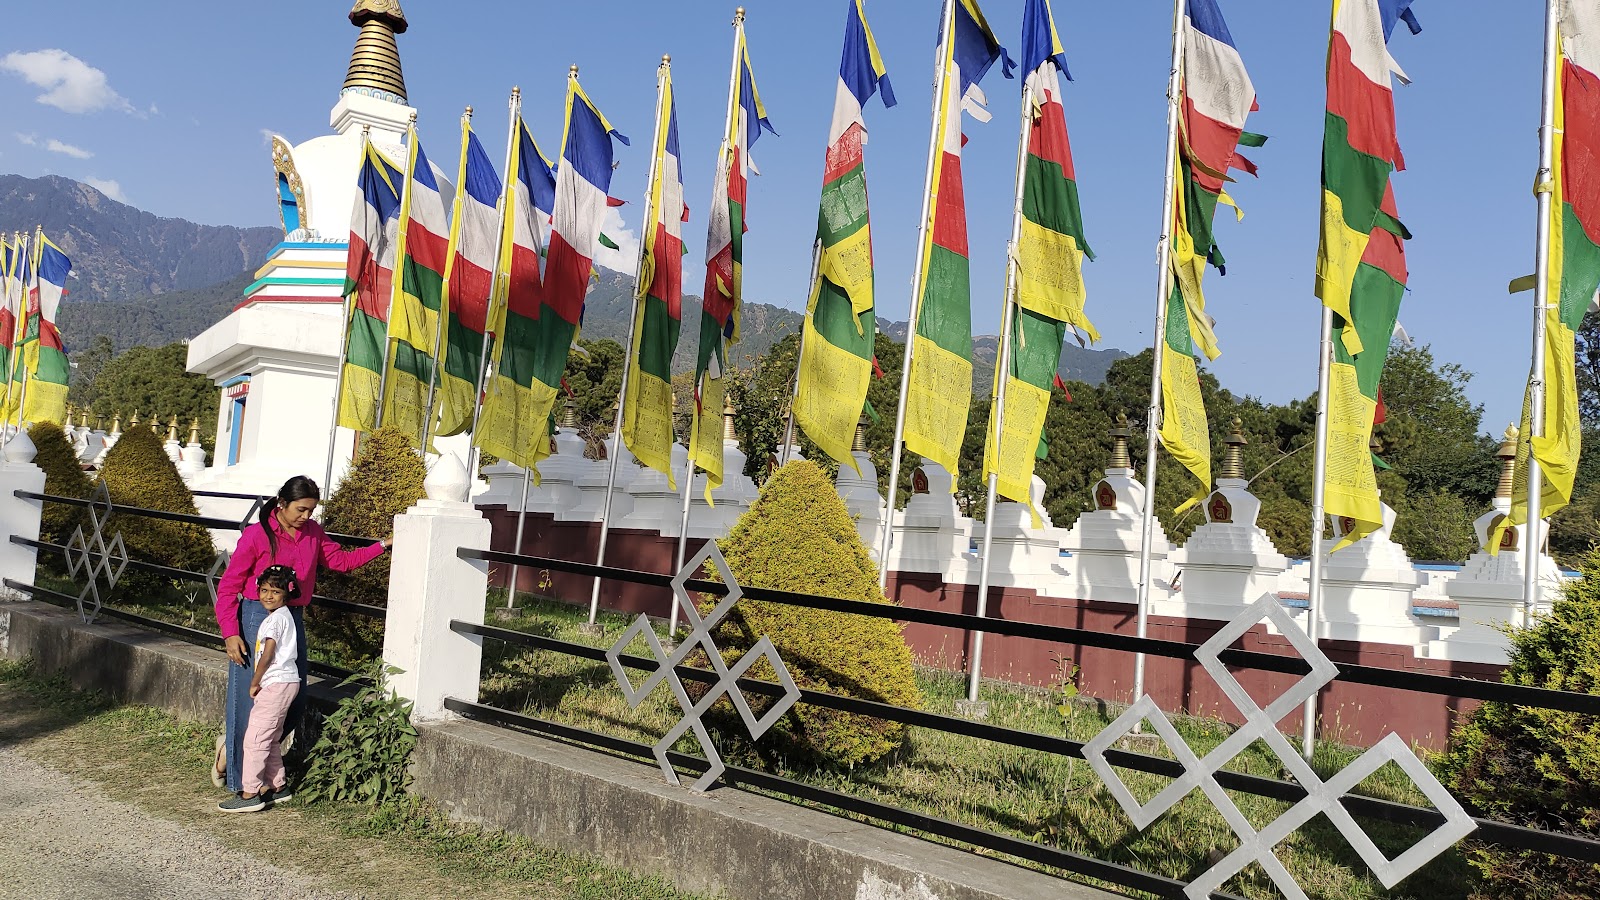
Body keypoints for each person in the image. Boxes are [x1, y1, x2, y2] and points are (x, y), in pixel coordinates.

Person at [211, 475, 390, 799]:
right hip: (255, 617)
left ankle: (245, 760)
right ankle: (243, 785)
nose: (306, 516)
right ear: (282, 504)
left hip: (292, 619)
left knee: (291, 699)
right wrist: (230, 634)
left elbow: (341, 561)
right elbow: (228, 587)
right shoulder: (256, 536)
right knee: (248, 704)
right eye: (301, 509)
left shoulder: (313, 533)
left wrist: (382, 545)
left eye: (311, 510)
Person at [218, 565, 301, 812]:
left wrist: (255, 681)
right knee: (271, 736)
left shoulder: (274, 621)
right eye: (264, 590)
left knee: (255, 738)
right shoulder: (285, 616)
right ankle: (278, 786)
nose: (267, 596)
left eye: (274, 592)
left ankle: (250, 793)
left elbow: (268, 654)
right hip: (287, 681)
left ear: (286, 594)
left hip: (275, 683)